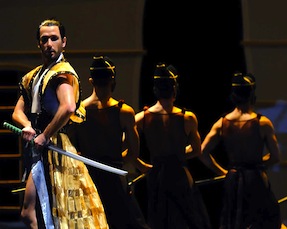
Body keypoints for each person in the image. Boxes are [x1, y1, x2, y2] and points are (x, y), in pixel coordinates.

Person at [12, 18, 109, 229]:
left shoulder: (62, 73)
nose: (49, 44)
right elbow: (18, 111)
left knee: (53, 213)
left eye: (54, 39)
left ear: (63, 42)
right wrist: (27, 125)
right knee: (34, 212)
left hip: (55, 148)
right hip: (39, 149)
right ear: (38, 43)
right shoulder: (34, 76)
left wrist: (45, 135)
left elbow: (68, 107)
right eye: (44, 39)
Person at [67, 55, 152, 229]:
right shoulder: (125, 112)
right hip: (112, 177)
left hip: (89, 177)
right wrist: (116, 161)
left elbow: (72, 149)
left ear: (91, 81)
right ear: (112, 80)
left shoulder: (78, 111)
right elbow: (133, 152)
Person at [200, 72, 282, 229]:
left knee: (235, 222)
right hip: (257, 179)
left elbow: (203, 152)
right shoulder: (262, 123)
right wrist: (258, 164)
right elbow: (276, 157)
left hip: (234, 179)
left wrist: (224, 172)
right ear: (252, 95)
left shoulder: (222, 123)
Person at [135, 63, 212, 229]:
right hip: (180, 174)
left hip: (157, 174)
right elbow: (197, 150)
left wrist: (140, 165)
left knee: (160, 221)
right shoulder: (187, 118)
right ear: (175, 88)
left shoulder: (142, 118)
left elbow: (126, 146)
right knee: (188, 221)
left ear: (156, 89)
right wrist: (177, 154)